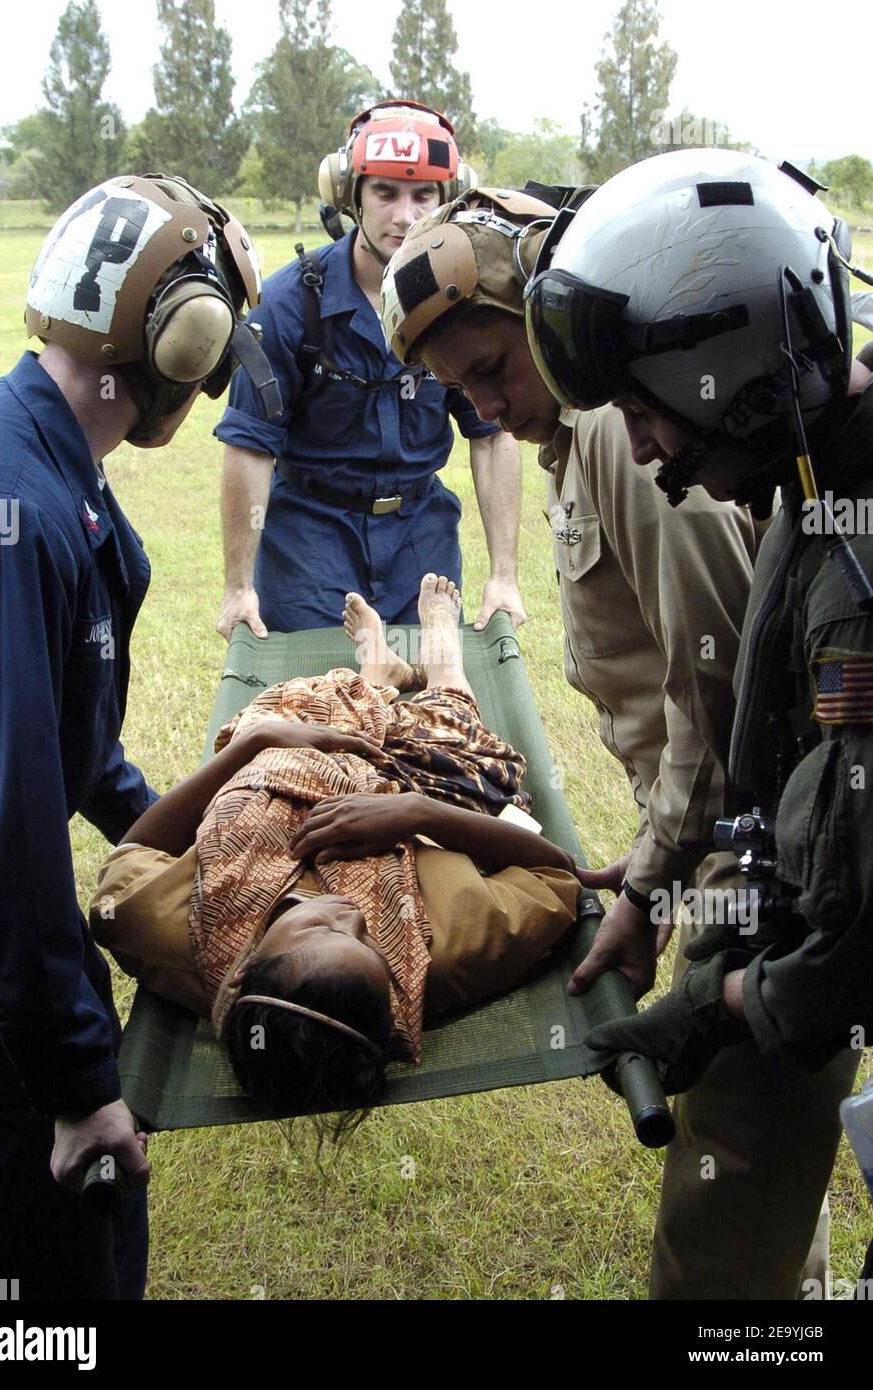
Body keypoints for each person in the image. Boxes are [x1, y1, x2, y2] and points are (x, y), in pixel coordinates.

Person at [381, 183, 856, 1300]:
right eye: (462, 393)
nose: (488, 408)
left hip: (756, 856)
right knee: (757, 1160)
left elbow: (720, 693)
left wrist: (657, 891)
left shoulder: (642, 441)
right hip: (726, 840)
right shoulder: (603, 435)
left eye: (494, 365)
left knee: (728, 1185)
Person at [524, 147, 873, 1296]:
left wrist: (720, 1006)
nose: (636, 450)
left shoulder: (853, 581)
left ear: (731, 367)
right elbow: (781, 796)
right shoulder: (811, 486)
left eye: (640, 409)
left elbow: (855, 930)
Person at [0, 174, 270, 1300]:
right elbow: (10, 843)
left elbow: (75, 751)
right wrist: (82, 1087)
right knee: (61, 1260)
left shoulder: (34, 464)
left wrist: (198, 839)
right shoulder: (13, 517)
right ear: (185, 345)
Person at [90, 575, 579, 1118]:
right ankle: (440, 668)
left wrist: (253, 746)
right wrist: (414, 813)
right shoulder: (441, 953)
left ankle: (376, 675)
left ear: (250, 962)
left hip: (281, 759)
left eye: (321, 928)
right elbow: (559, 877)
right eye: (368, 941)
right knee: (460, 744)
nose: (349, 914)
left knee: (296, 710)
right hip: (417, 791)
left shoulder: (167, 930)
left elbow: (127, 859)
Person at [213, 101, 526, 641]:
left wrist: (503, 574)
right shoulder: (290, 306)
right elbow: (249, 444)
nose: (405, 215)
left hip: (419, 538)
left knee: (427, 703)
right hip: (309, 543)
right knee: (316, 708)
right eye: (385, 192)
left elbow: (492, 435)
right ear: (350, 194)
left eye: (423, 194)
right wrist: (239, 586)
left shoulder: (460, 303)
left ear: (445, 199)